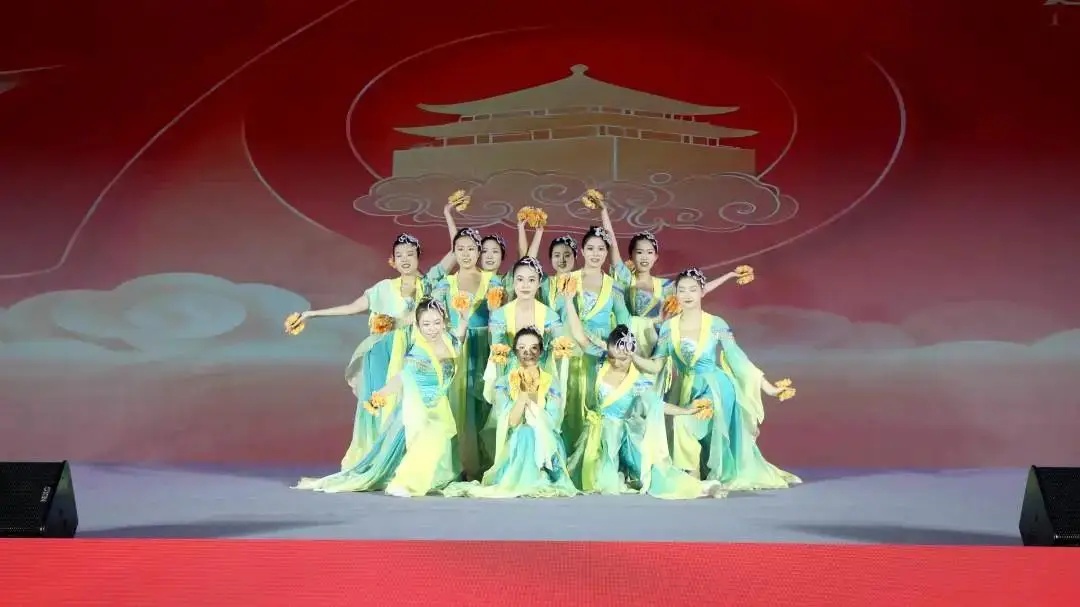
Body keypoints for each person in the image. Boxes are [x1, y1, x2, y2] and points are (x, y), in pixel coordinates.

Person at [288, 233, 452, 469]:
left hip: (413, 354)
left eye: (410, 254)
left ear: (418, 256)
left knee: (409, 406)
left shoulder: (430, 285)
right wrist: (312, 314)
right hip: (380, 353)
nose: (405, 259)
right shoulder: (383, 289)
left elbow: (455, 252)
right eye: (399, 255)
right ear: (393, 260)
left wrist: (449, 216)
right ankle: (376, 461)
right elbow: (351, 308)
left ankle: (407, 465)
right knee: (379, 404)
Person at [636, 267, 800, 490]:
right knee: (683, 424)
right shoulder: (668, 327)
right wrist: (631, 356)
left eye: (693, 289)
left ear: (702, 291)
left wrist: (769, 388)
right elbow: (657, 365)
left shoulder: (716, 324)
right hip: (685, 387)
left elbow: (737, 358)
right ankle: (698, 477)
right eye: (682, 290)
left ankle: (694, 478)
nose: (687, 295)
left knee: (685, 422)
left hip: (715, 387)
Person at [294, 298, 469, 496]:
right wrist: (381, 395)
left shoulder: (448, 340)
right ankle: (408, 483)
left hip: (439, 404)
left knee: (440, 446)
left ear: (444, 322)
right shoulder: (418, 353)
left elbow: (459, 341)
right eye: (426, 324)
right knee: (428, 442)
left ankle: (431, 479)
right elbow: (403, 377)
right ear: (418, 325)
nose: (432, 329)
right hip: (420, 408)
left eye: (436, 323)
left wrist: (464, 318)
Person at [560, 307, 726, 499]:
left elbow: (658, 405)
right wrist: (569, 301)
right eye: (612, 357)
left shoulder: (638, 381)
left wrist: (686, 411)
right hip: (596, 435)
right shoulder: (601, 361)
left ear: (631, 354)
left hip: (621, 436)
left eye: (623, 359)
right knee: (591, 477)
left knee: (653, 475)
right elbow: (579, 336)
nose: (616, 362)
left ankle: (702, 488)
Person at [443, 327, 578, 498]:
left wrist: (532, 408)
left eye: (533, 348)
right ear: (515, 352)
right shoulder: (504, 383)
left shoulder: (551, 383)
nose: (527, 353)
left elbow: (553, 421)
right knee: (524, 432)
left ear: (541, 352)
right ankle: (525, 479)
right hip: (515, 442)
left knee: (529, 432)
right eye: (522, 348)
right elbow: (510, 421)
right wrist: (523, 396)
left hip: (546, 443)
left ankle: (538, 475)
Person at [431, 227, 501, 480]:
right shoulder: (444, 284)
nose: (465, 253)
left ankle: (484, 464)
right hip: (455, 348)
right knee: (455, 405)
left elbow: (499, 318)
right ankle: (457, 464)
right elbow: (434, 318)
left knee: (482, 402)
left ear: (479, 251)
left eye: (471, 248)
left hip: (484, 348)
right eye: (460, 249)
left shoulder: (492, 282)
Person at [558, 225, 631, 462]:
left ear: (607, 252)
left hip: (601, 350)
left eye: (601, 249)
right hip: (571, 346)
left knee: (594, 399)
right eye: (590, 248)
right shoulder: (568, 279)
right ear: (582, 250)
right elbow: (558, 314)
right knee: (570, 398)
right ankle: (568, 456)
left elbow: (624, 321)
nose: (595, 253)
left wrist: (619, 347)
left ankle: (592, 458)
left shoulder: (614, 285)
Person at [482, 256, 565, 462]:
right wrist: (502, 382)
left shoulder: (549, 315)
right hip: (511, 374)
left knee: (538, 422)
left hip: (540, 374)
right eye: (520, 279)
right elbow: (498, 351)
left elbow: (559, 346)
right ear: (513, 282)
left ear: (539, 283)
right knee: (511, 421)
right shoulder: (501, 314)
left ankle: (541, 463)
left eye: (531, 280)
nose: (525, 285)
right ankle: (510, 464)